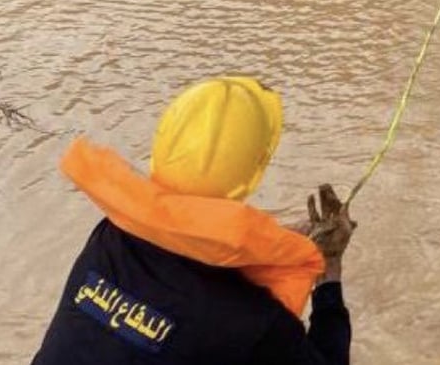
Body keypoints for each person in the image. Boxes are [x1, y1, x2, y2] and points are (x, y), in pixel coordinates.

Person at [31, 77, 356, 365]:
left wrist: (274, 245)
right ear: (252, 176)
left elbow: (178, 275)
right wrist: (329, 269)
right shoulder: (256, 324)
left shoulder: (108, 240)